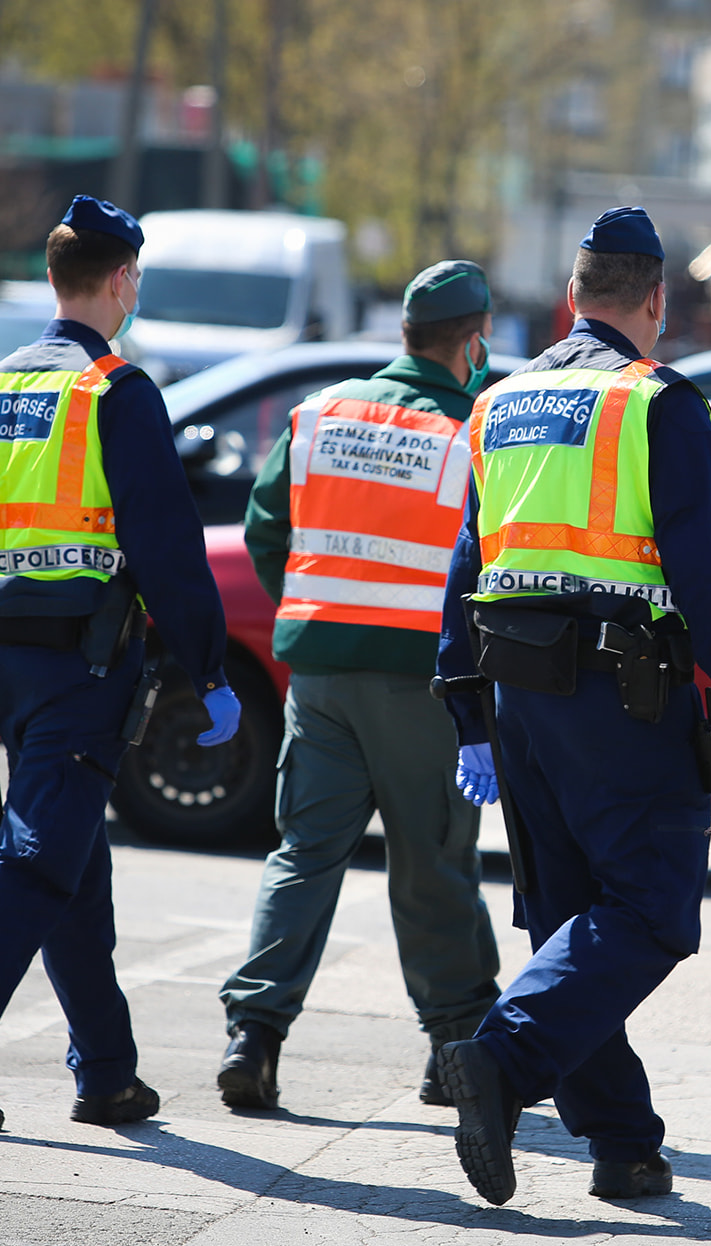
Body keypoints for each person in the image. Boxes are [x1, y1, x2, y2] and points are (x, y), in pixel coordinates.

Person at [430, 206, 711, 1205]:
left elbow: (467, 564)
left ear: (574, 295)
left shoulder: (500, 401)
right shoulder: (654, 403)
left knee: (572, 922)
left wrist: (466, 709)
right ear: (656, 300)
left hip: (519, 700)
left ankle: (621, 1144)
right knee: (650, 910)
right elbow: (709, 572)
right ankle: (500, 1056)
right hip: (622, 702)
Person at [0, 196, 238, 1133]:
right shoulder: (116, 390)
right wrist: (209, 668)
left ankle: (108, 1074)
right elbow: (166, 549)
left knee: (73, 863)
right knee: (38, 860)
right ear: (122, 280)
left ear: (52, 277)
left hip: (2, 664)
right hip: (86, 665)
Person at [213, 261, 504, 1111]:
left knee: (303, 855)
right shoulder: (470, 434)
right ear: (473, 341)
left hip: (323, 681)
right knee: (434, 863)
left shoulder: (320, 413)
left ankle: (254, 1037)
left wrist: (319, 612)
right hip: (424, 685)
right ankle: (455, 1047)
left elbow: (266, 531)